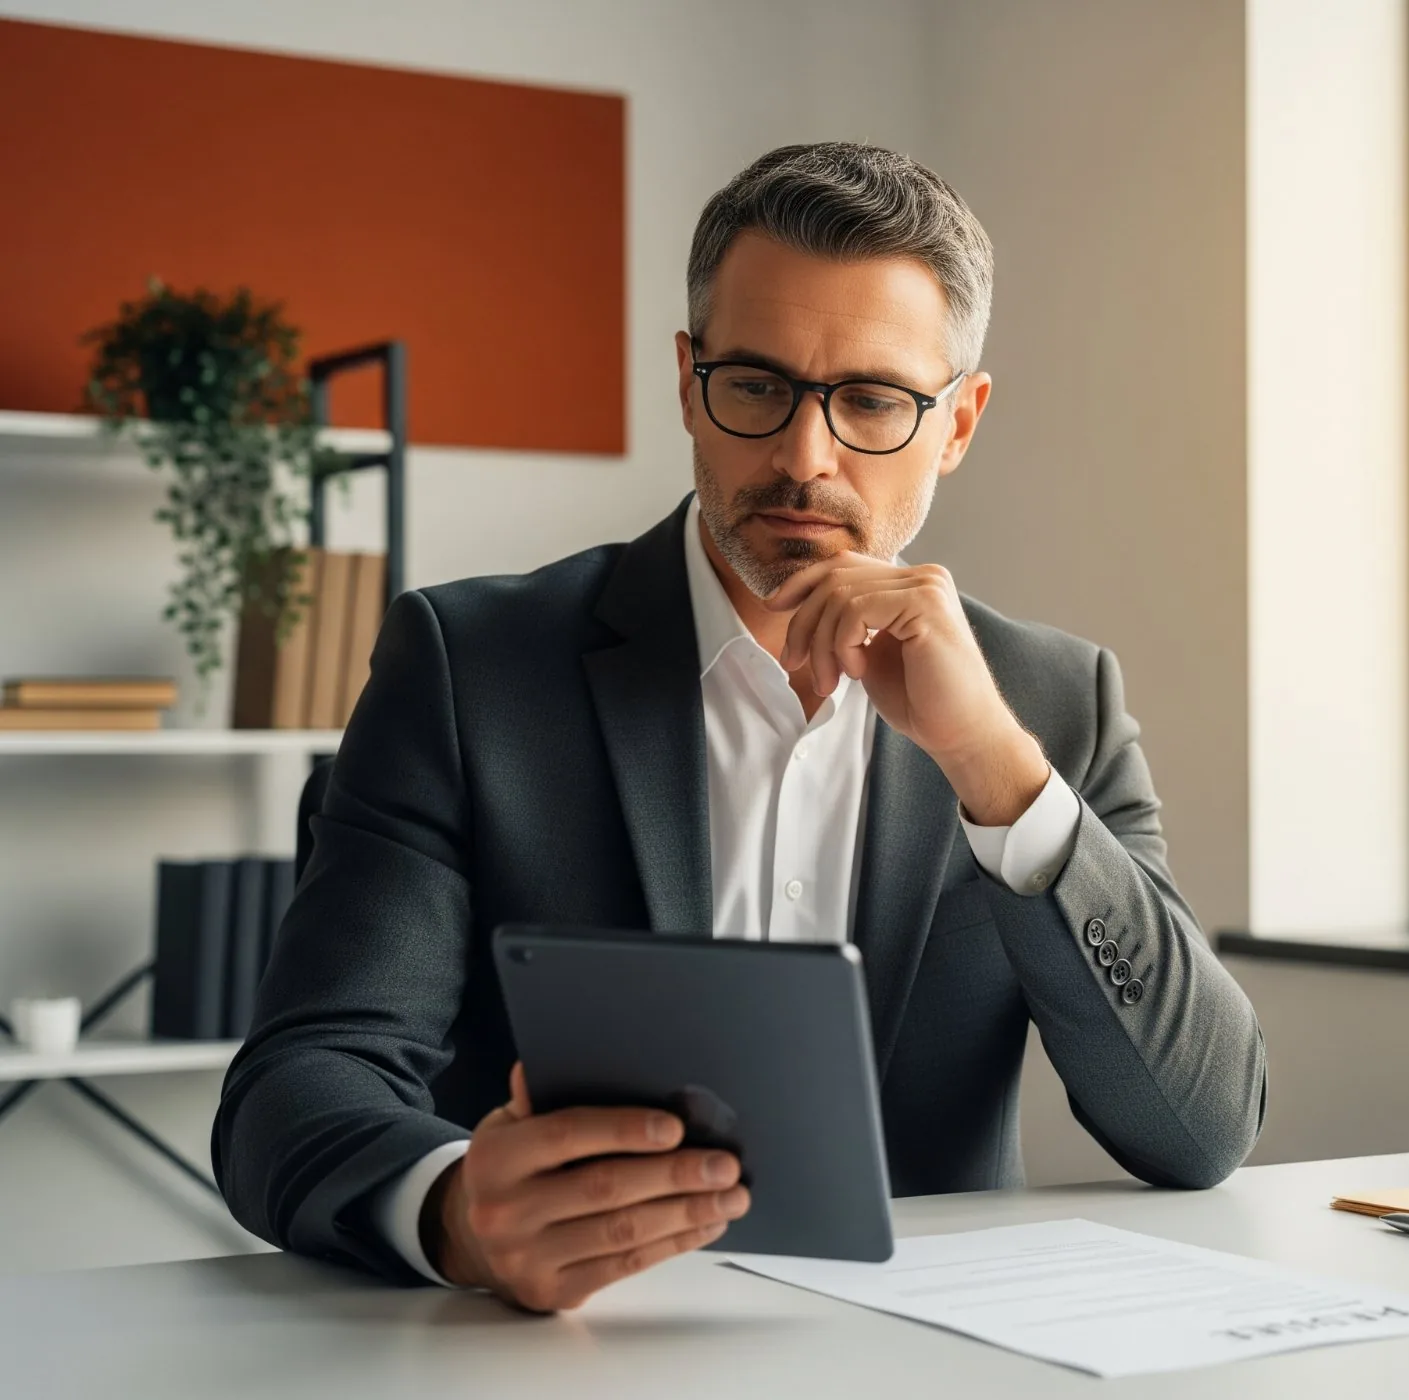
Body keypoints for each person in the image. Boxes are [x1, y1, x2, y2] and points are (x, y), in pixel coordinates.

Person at [214, 142, 1265, 1314]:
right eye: (757, 386)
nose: (803, 457)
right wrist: (458, 1211)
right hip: (559, 1355)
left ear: (958, 422)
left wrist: (996, 771)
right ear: (685, 381)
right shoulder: (468, 669)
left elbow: (1202, 1125)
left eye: (871, 400)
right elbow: (295, 1084)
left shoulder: (1056, 701)